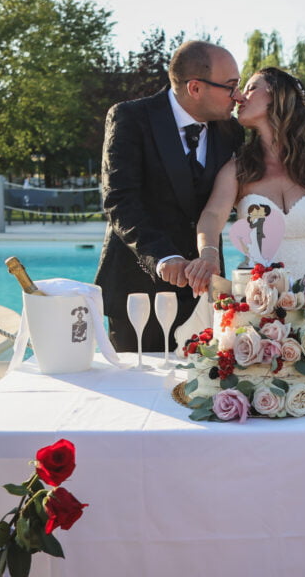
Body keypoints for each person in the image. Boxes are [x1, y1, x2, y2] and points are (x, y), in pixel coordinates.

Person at [95, 41, 245, 352]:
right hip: (138, 292)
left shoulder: (232, 131)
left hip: (207, 290)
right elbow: (119, 201)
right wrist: (164, 257)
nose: (238, 96)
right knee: (136, 392)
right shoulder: (130, 118)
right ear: (195, 88)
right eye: (231, 86)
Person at [186, 66, 305, 317]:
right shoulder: (238, 168)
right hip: (258, 304)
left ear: (277, 95)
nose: (239, 97)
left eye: (250, 88)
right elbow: (212, 216)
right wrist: (208, 253)